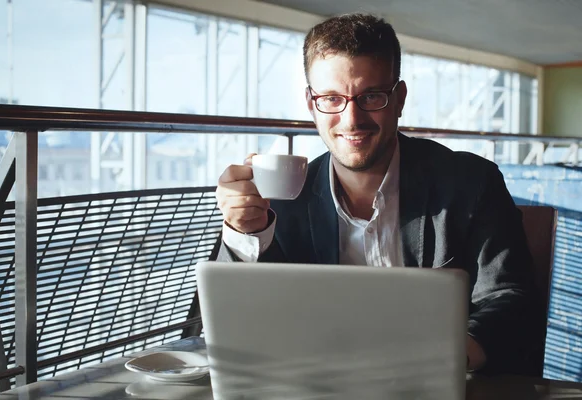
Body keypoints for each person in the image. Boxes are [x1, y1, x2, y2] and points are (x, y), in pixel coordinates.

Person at [215, 13, 541, 375]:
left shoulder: (470, 182)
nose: (352, 119)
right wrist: (246, 233)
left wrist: (446, 358)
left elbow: (510, 298)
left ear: (398, 98)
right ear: (312, 104)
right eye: (332, 98)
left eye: (370, 96)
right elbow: (241, 323)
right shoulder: (282, 200)